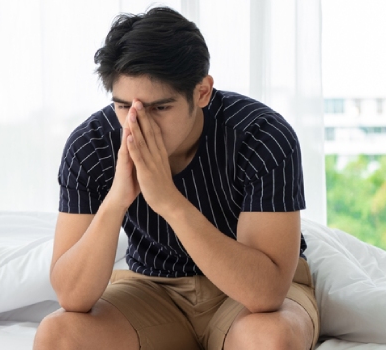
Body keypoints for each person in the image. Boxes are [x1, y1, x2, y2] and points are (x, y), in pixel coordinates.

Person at [34, 7, 319, 350]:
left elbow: (265, 293)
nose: (139, 124)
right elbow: (71, 296)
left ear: (202, 92)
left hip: (249, 297)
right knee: (57, 336)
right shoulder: (92, 144)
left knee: (270, 340)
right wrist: (116, 200)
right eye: (124, 106)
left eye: (159, 108)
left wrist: (168, 201)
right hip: (152, 288)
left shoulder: (261, 135)